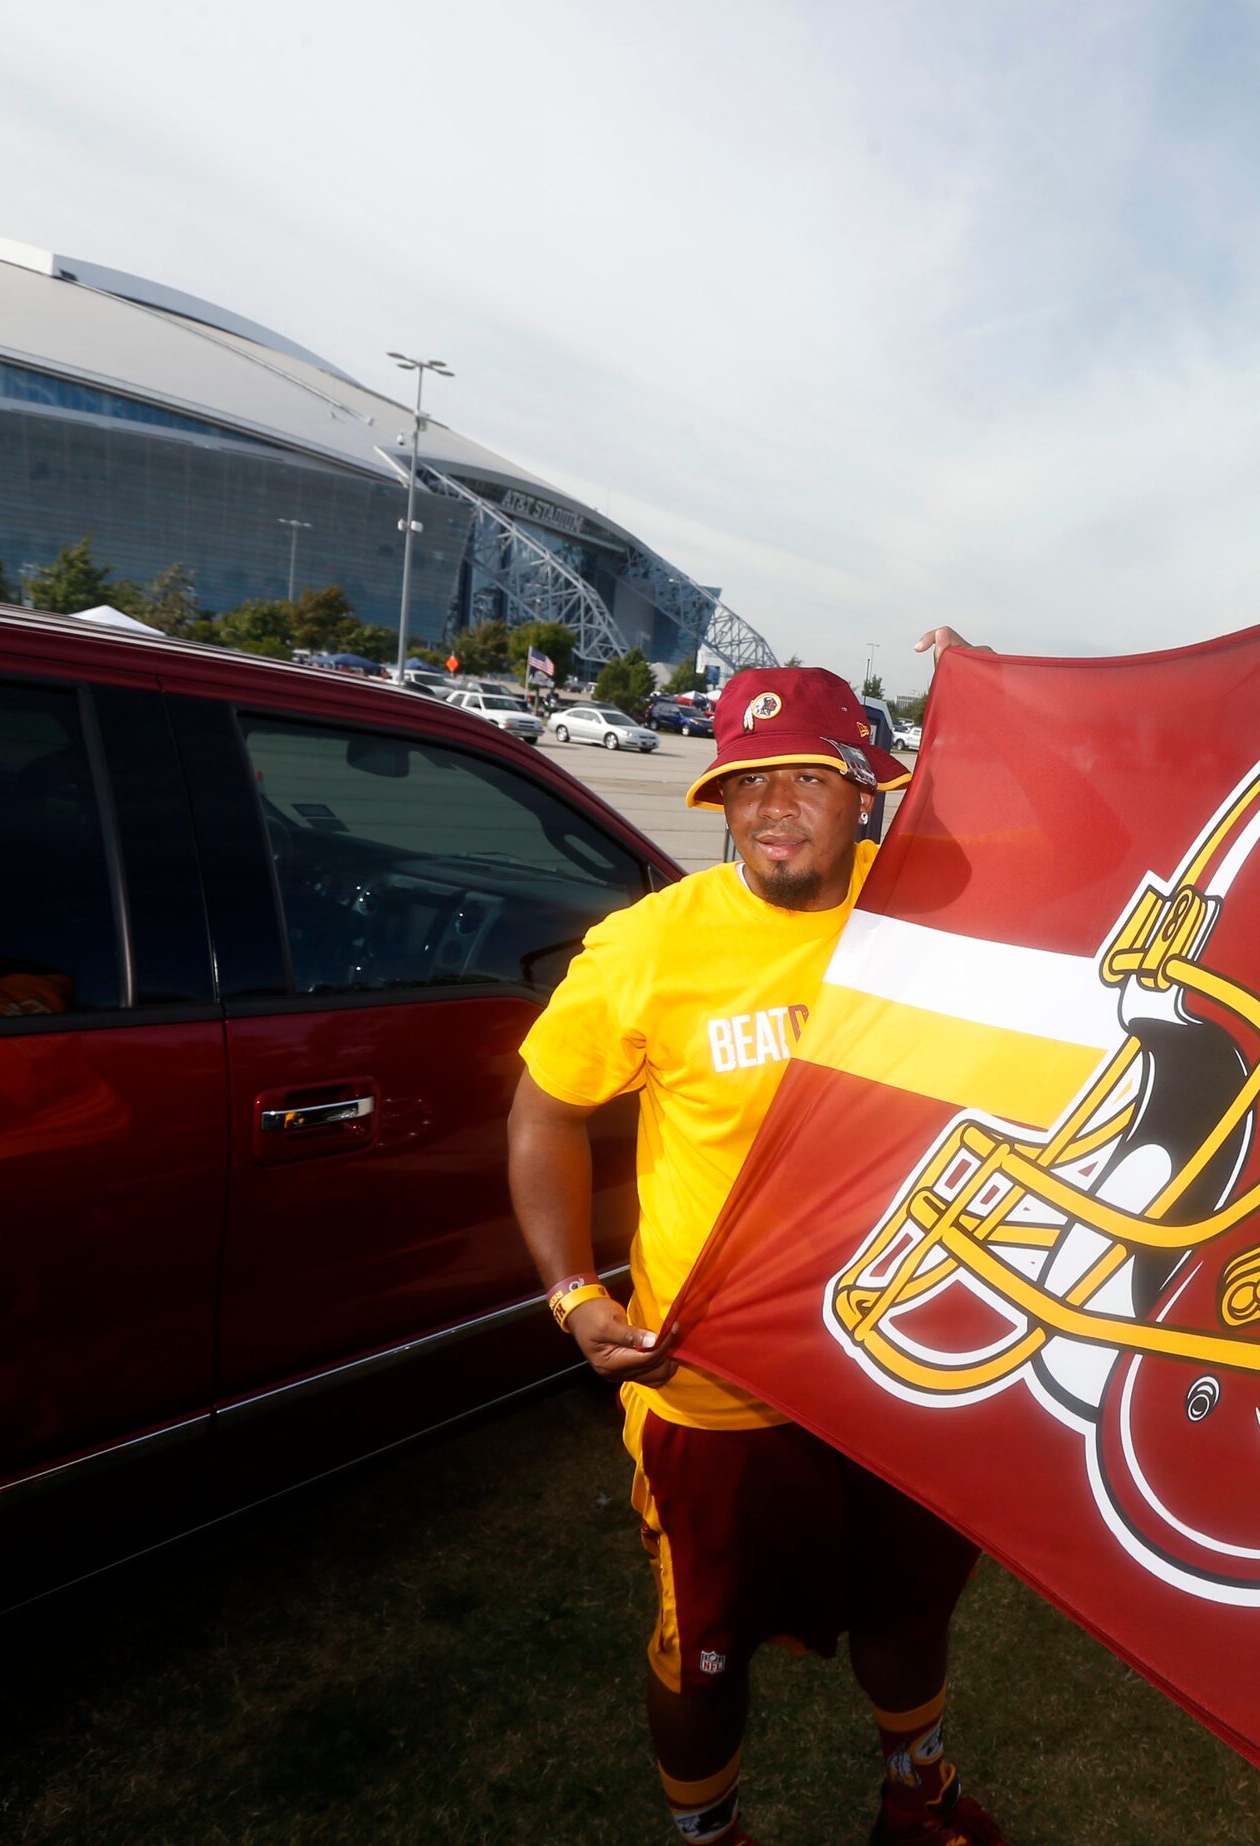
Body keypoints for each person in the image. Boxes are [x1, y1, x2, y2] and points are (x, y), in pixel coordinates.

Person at [508, 634, 1000, 1846]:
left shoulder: (940, 920)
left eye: (805, 779)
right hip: (719, 1384)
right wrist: (574, 1293)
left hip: (902, 1362)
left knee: (908, 1601)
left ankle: (917, 1794)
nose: (770, 811)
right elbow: (543, 1114)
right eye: (744, 782)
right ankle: (710, 1836)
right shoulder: (653, 945)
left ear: (865, 789)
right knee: (708, 1646)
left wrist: (995, 695)